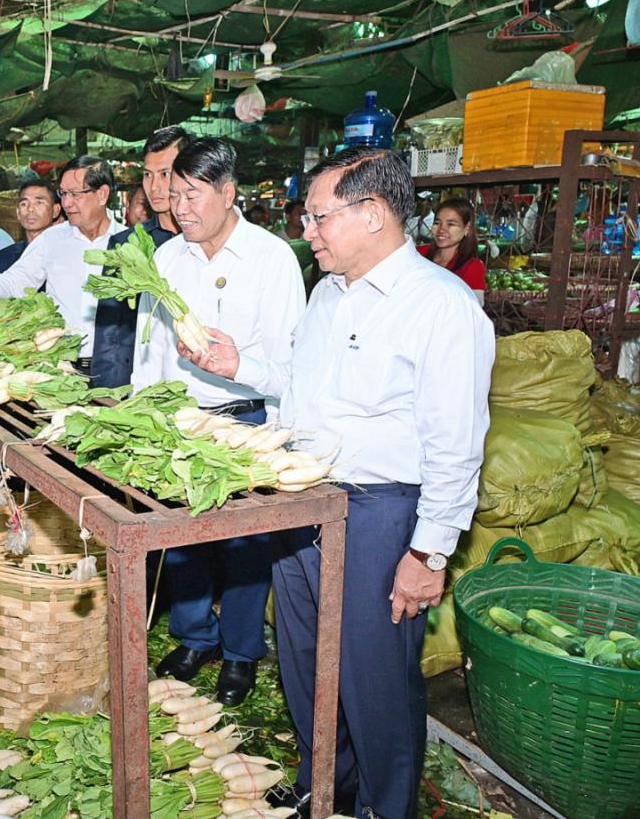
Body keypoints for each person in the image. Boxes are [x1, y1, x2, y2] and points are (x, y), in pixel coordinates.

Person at [188, 147, 493, 818]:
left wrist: (428, 553)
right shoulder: (328, 293)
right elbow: (301, 387)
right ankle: (325, 782)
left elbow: (456, 443)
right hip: (304, 500)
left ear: (374, 213)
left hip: (378, 513)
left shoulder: (440, 307)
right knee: (304, 659)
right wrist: (241, 365)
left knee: (373, 675)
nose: (308, 231)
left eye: (319, 217)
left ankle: (384, 806)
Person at [136, 137, 305, 705]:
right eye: (174, 193)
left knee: (245, 547)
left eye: (193, 194)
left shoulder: (271, 258)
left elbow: (289, 363)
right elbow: (149, 348)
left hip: (244, 422)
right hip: (180, 420)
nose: (178, 206)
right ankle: (194, 638)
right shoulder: (167, 259)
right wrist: (143, 411)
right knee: (180, 542)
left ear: (228, 193)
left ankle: (240, 653)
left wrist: (278, 438)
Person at [0, 156, 120, 376]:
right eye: (63, 194)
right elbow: (15, 282)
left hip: (115, 365)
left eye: (75, 194)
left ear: (102, 194)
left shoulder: (128, 242)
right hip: (61, 364)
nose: (67, 203)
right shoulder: (52, 239)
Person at [90, 125, 186, 388]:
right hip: (136, 384)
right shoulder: (125, 245)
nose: (154, 186)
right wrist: (106, 394)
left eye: (165, 174)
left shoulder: (203, 243)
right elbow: (110, 332)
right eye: (147, 175)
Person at [0, 179, 61, 276]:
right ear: (18, 213)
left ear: (55, 210)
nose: (30, 209)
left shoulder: (67, 254)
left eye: (39, 202)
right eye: (24, 204)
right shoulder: (3, 258)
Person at [420, 197, 485, 301]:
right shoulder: (419, 254)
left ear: (467, 228)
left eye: (450, 224)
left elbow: (472, 306)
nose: (441, 230)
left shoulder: (472, 267)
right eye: (437, 223)